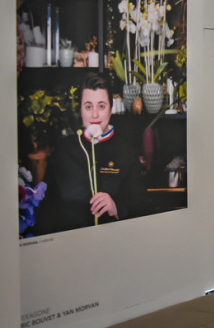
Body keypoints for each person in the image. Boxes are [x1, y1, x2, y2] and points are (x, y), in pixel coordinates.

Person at [52, 73, 145, 231]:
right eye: (88, 106)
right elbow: (48, 208)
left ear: (111, 109)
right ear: (80, 109)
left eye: (101, 106)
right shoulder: (63, 151)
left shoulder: (127, 151)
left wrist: (117, 208)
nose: (94, 115)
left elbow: (141, 207)